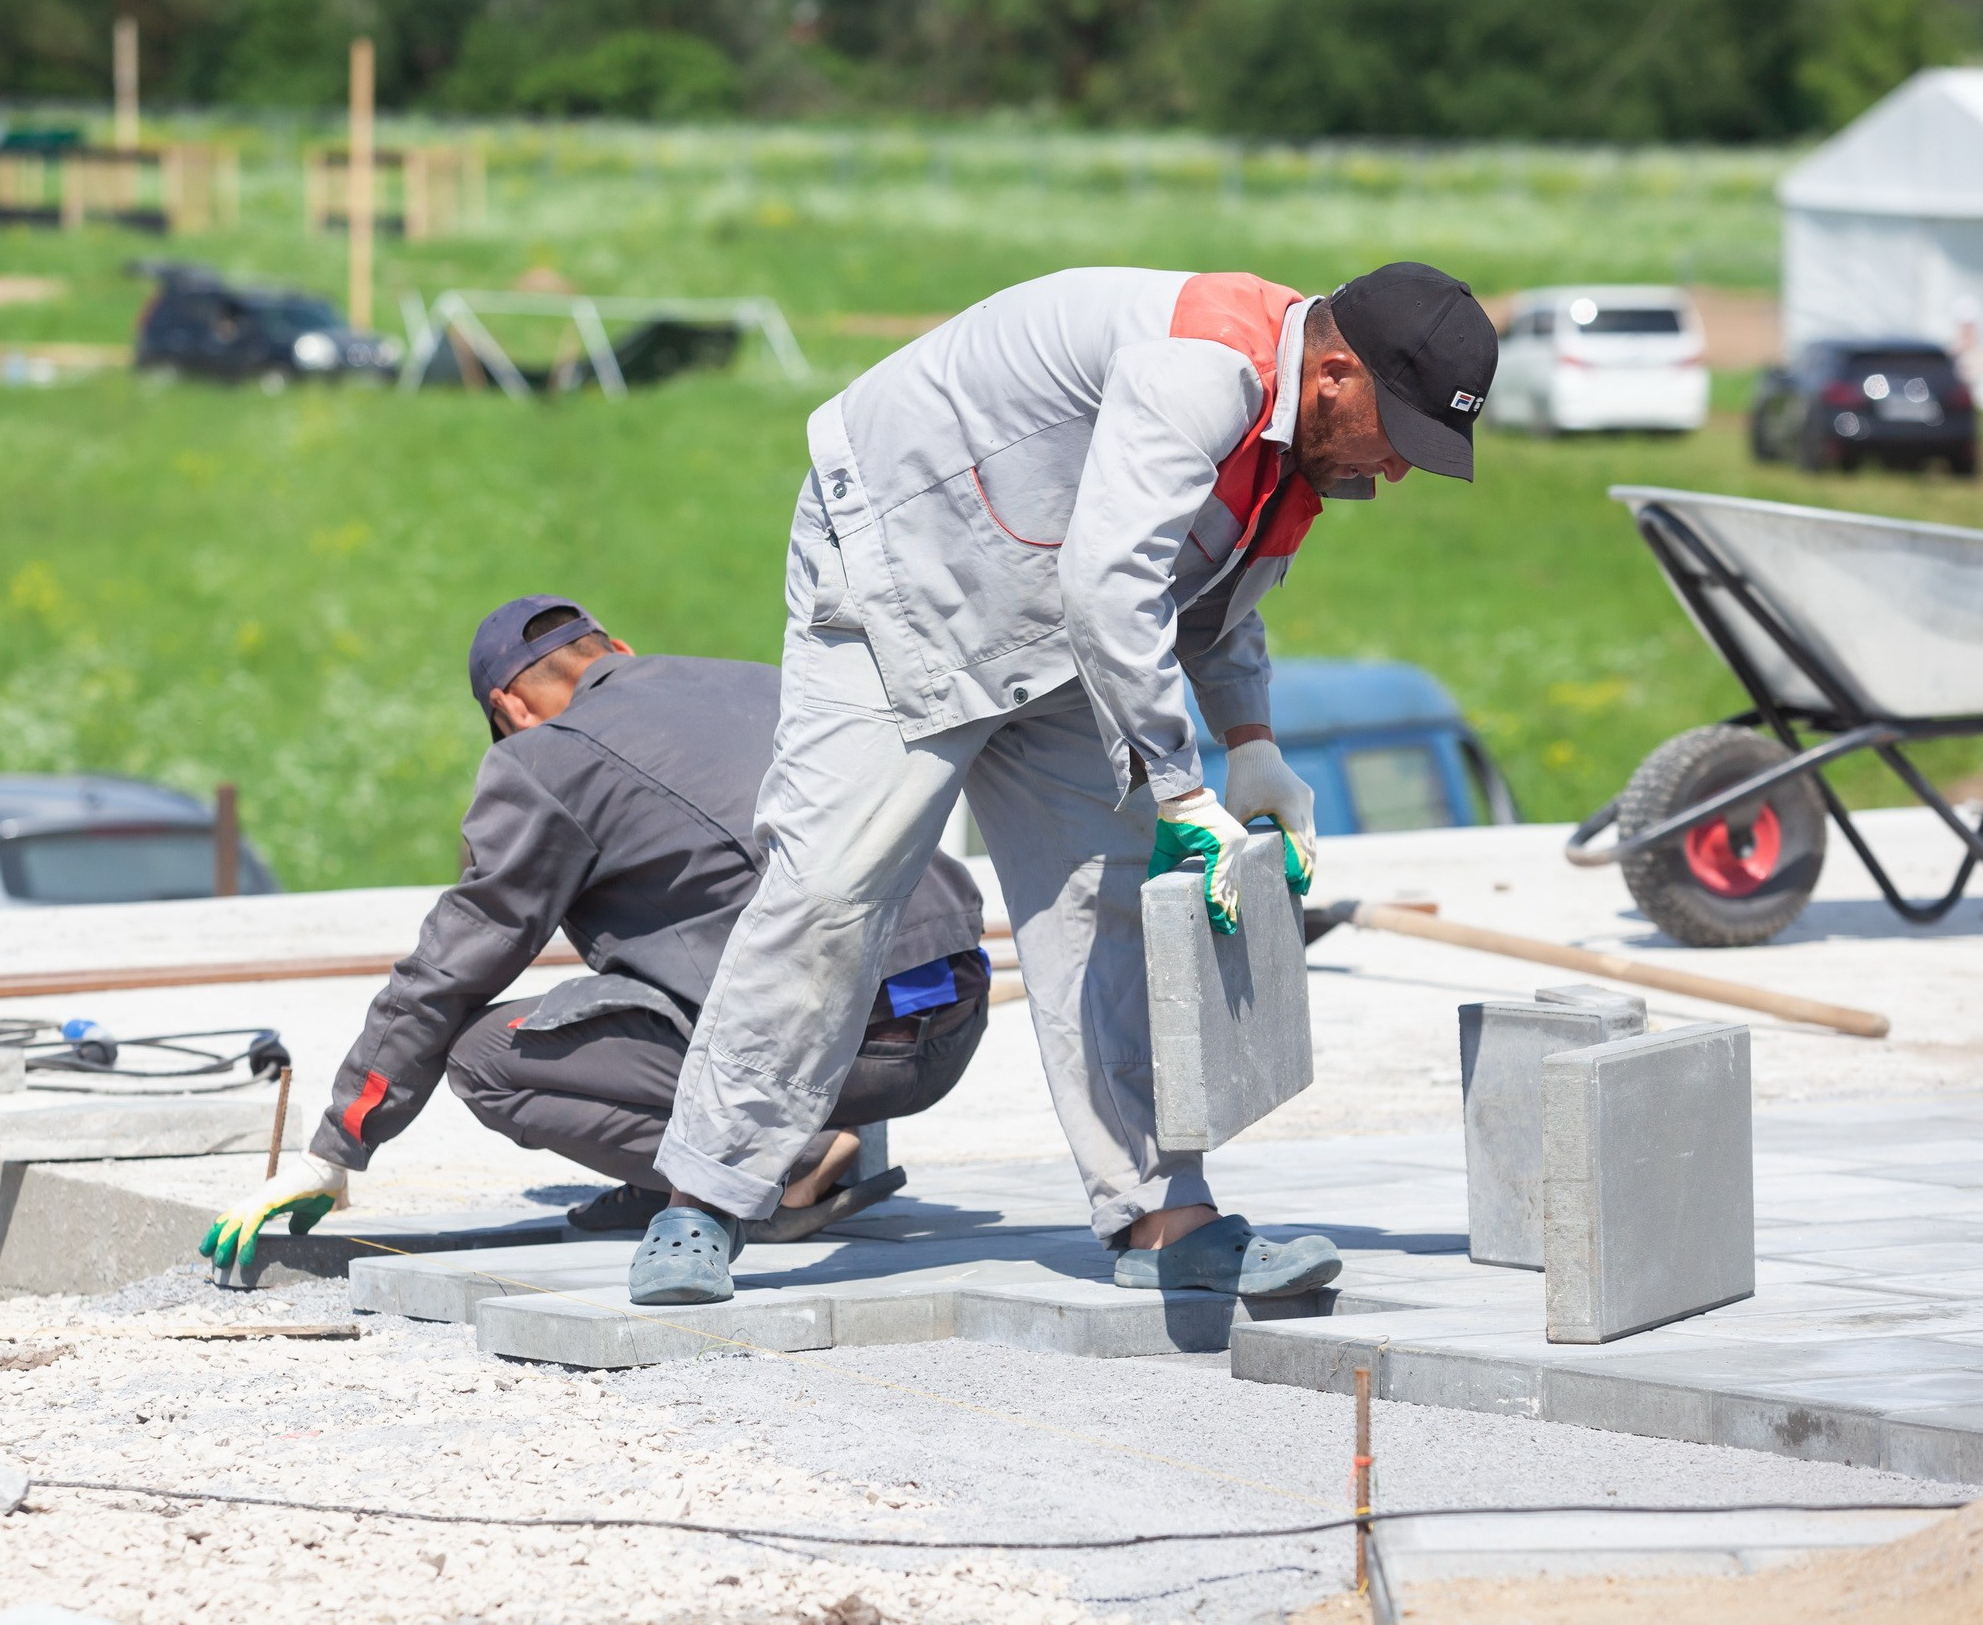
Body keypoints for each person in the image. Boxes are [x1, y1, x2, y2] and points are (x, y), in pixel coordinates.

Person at [629, 263, 1499, 1306]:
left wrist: (1252, 739)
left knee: (1106, 903)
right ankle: (702, 1201)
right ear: (1334, 375)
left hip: (1055, 608)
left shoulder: (1286, 435)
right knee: (831, 892)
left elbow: (1203, 592)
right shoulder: (1200, 374)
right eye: (1396, 432)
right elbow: (1114, 582)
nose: (1397, 470)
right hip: (904, 565)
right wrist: (1181, 788)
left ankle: (1162, 1215)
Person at [202, 597, 991, 1272]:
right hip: (954, 1010)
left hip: (842, 1052)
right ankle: (762, 1155)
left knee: (488, 1054)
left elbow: (452, 964)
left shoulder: (547, 758)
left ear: (509, 710)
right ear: (618, 651)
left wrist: (337, 1146)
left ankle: (782, 1167)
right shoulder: (761, 681)